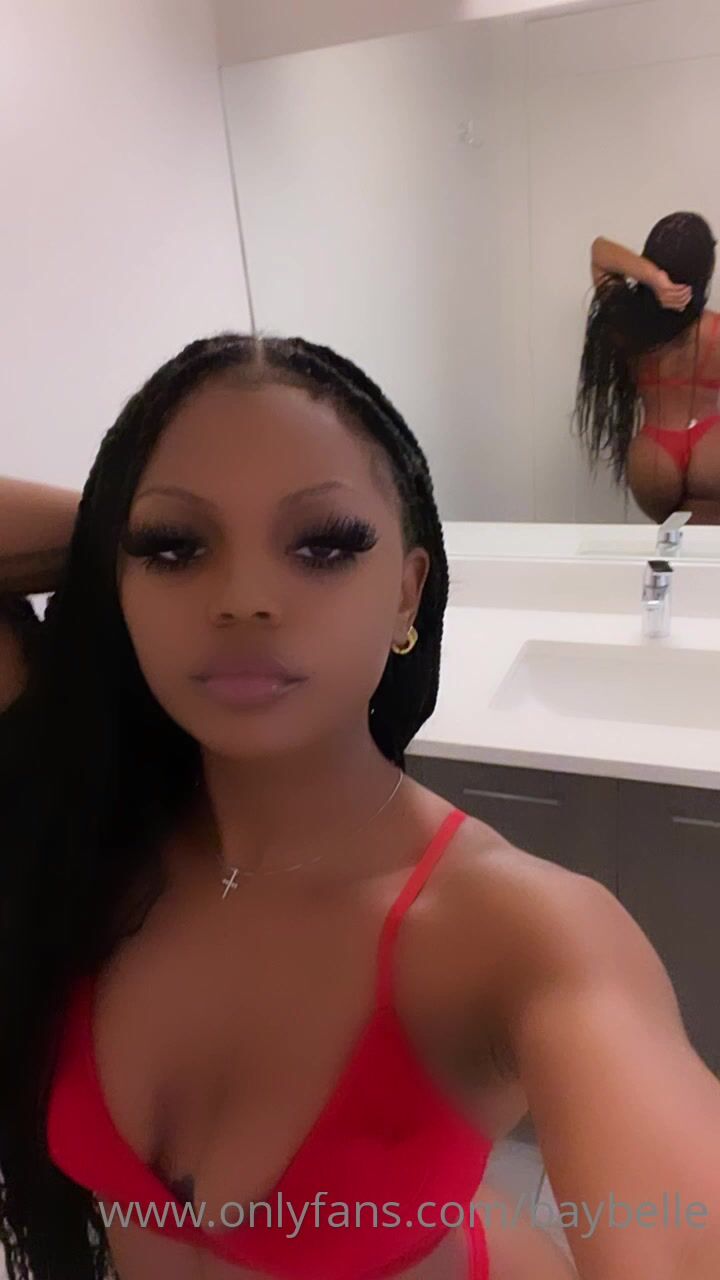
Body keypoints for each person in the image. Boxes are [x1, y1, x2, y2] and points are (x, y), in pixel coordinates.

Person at [1, 334, 720, 1280]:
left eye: (323, 545)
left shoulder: (522, 932)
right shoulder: (86, 832)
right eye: (174, 547)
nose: (245, 598)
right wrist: (110, 525)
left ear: (406, 594)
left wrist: (149, 529)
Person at [574, 211, 720, 522]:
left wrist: (653, 279)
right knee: (706, 548)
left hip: (652, 458)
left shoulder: (628, 324)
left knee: (668, 546)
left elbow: (599, 252)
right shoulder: (716, 330)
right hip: (712, 450)